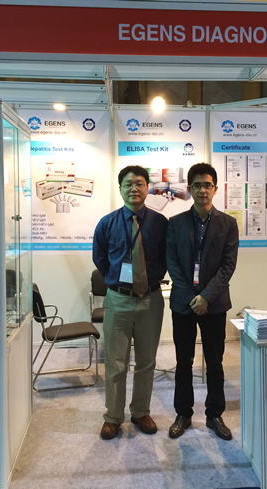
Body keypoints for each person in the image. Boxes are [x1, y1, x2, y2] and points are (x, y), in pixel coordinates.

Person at [92, 165, 168, 440]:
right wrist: (118, 282)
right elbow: (100, 259)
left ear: (147, 188)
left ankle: (140, 412)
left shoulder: (160, 223)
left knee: (147, 362)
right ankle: (113, 416)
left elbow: (167, 257)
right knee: (116, 363)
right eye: (128, 184)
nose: (134, 189)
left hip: (151, 299)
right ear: (120, 188)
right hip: (118, 300)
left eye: (139, 183)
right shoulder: (107, 223)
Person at [166, 162, 239, 440]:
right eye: (196, 185)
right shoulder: (176, 223)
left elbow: (228, 266)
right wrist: (191, 298)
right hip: (183, 304)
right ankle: (183, 413)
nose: (202, 190)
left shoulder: (228, 224)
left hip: (214, 304)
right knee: (184, 361)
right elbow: (172, 263)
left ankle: (214, 414)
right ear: (189, 189)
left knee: (215, 361)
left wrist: (206, 297)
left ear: (215, 188)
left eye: (207, 185)